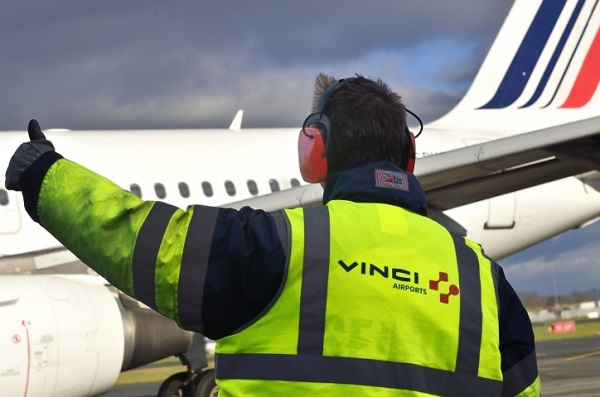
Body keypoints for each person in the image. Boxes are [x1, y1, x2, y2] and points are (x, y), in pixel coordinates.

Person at [5, 74, 540, 396]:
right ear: (411, 157)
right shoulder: (484, 284)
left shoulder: (275, 244)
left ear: (315, 152)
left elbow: (145, 243)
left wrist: (46, 176)